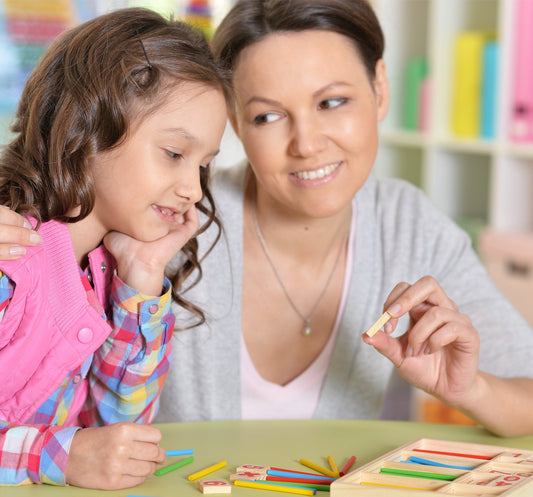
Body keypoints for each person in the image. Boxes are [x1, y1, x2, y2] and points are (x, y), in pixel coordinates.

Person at [3, 0, 533, 438]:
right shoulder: (165, 217)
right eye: (267, 116)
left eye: (332, 101)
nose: (306, 144)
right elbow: (61, 204)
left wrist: (469, 390)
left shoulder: (408, 225)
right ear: (234, 121)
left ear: (380, 89)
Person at [0, 7, 228, 489]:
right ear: (87, 131)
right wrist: (56, 458)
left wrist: (141, 279)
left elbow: (117, 442)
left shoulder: (105, 268)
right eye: (174, 154)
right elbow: (75, 457)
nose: (194, 189)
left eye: (204, 165)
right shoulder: (11, 260)